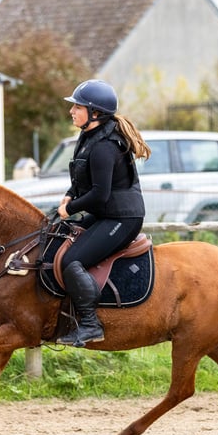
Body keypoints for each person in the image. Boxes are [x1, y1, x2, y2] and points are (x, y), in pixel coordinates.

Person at [56, 79, 151, 347]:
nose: (72, 112)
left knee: (71, 262)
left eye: (77, 107)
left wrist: (70, 208)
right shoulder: (90, 137)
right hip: (106, 214)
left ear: (95, 113)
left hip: (122, 219)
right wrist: (70, 194)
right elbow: (82, 178)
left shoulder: (105, 146)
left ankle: (90, 325)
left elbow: (100, 193)